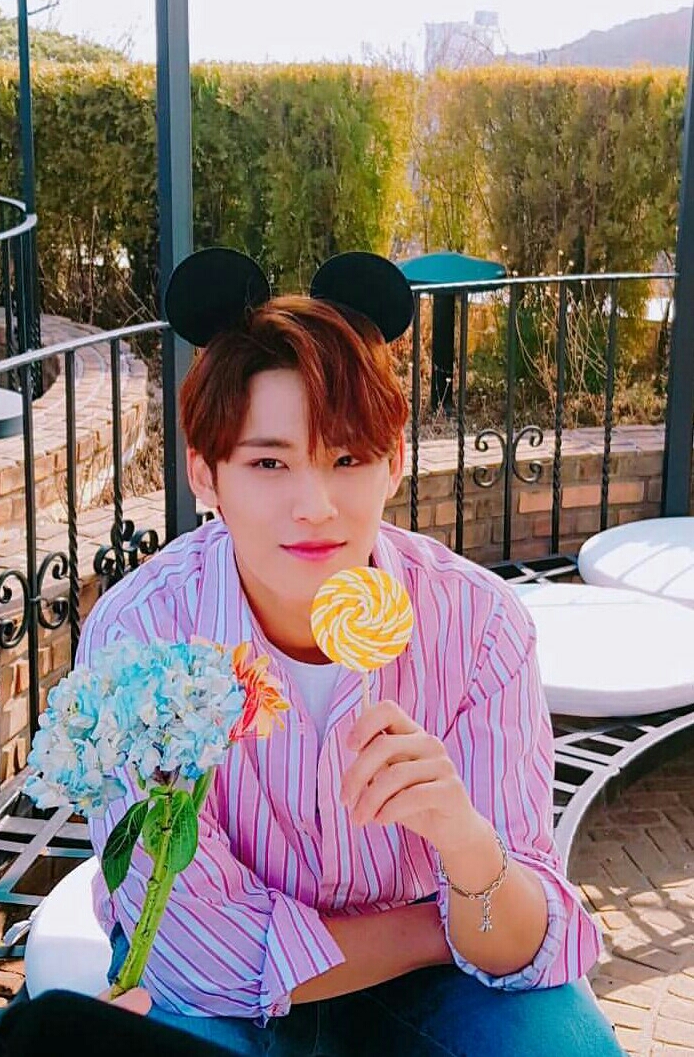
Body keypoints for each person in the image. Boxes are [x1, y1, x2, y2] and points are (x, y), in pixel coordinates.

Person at [76, 248, 623, 1056]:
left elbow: (521, 942)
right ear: (205, 474)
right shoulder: (143, 636)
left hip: (436, 985)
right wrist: (434, 928)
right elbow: (194, 951)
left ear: (393, 463)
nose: (315, 505)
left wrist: (466, 844)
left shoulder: (475, 626)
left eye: (348, 458)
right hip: (238, 992)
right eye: (269, 463)